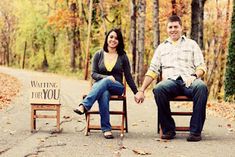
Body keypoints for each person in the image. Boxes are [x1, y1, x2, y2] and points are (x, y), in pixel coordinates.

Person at [134, 15, 208, 142]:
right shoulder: (162, 47)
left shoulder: (192, 44)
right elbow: (153, 70)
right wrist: (142, 90)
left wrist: (194, 76)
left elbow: (201, 66)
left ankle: (195, 132)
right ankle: (168, 129)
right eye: (170, 27)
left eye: (176, 27)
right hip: (170, 82)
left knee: (201, 87)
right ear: (166, 29)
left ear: (181, 28)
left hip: (189, 80)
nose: (173, 30)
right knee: (159, 89)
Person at [74, 28, 138, 139]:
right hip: (101, 88)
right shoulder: (98, 54)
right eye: (111, 37)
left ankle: (84, 105)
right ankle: (106, 129)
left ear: (119, 41)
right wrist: (106, 78)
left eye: (116, 38)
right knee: (103, 93)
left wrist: (136, 92)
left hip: (117, 87)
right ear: (107, 38)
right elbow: (93, 74)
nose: (113, 40)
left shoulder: (123, 56)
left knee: (107, 82)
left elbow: (128, 76)